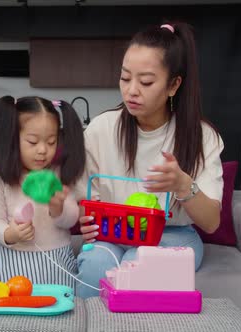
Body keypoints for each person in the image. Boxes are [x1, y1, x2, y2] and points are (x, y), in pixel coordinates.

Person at [75, 22, 224, 298]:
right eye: (125, 78)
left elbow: (212, 222)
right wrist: (89, 220)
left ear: (173, 85)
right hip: (115, 234)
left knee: (139, 259)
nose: (131, 90)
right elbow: (86, 202)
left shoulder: (202, 136)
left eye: (145, 82)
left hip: (173, 236)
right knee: (96, 263)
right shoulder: (100, 129)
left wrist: (183, 185)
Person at [0, 96, 85, 289]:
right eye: (32, 142)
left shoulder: (58, 175)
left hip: (57, 262)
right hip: (14, 262)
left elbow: (71, 219)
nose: (42, 150)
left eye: (51, 142)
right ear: (12, 139)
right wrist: (9, 234)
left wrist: (58, 209)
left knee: (59, 310)